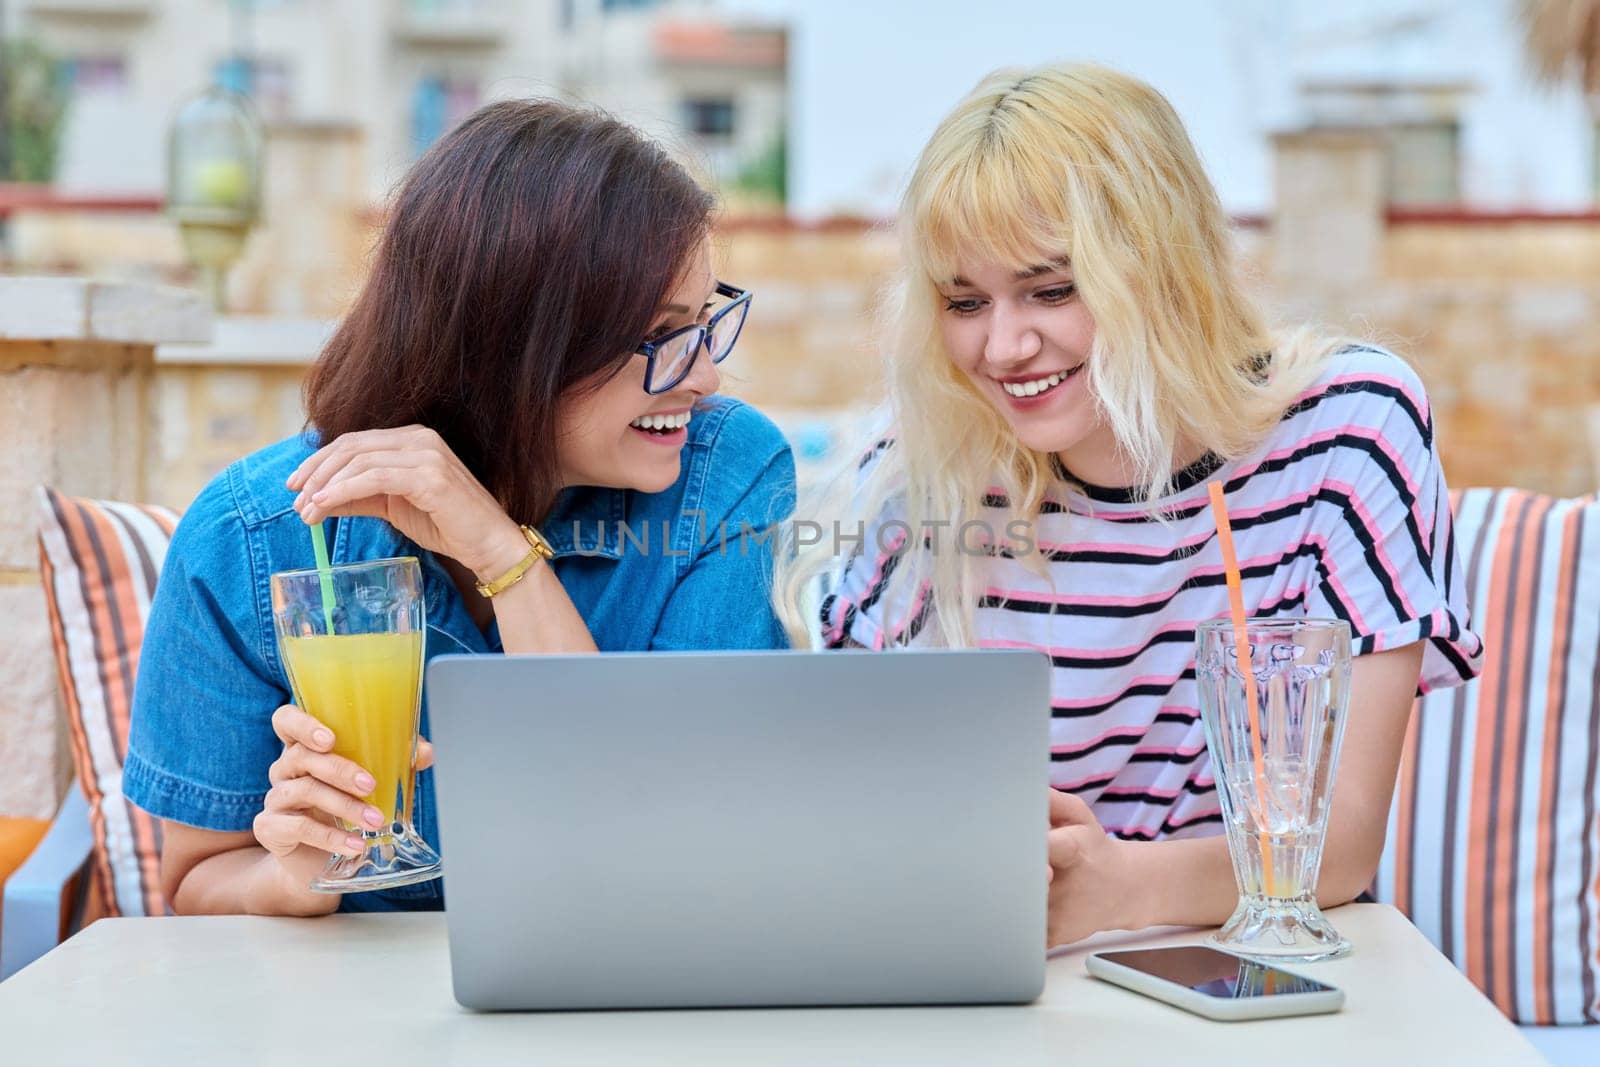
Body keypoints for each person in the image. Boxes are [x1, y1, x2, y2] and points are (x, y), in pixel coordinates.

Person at [776, 63, 1483, 947]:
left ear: (1159, 264)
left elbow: (1337, 848)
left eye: (1052, 288)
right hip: (996, 979)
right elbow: (856, 816)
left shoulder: (1345, 429)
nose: (1002, 346)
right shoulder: (925, 469)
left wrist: (1120, 888)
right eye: (964, 300)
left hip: (1234, 971)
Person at [126, 99, 796, 917]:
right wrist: (291, 875)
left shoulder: (721, 477)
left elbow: (675, 842)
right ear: (510, 347)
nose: (703, 377)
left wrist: (502, 555)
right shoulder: (254, 540)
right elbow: (192, 882)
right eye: (658, 337)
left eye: (702, 323)